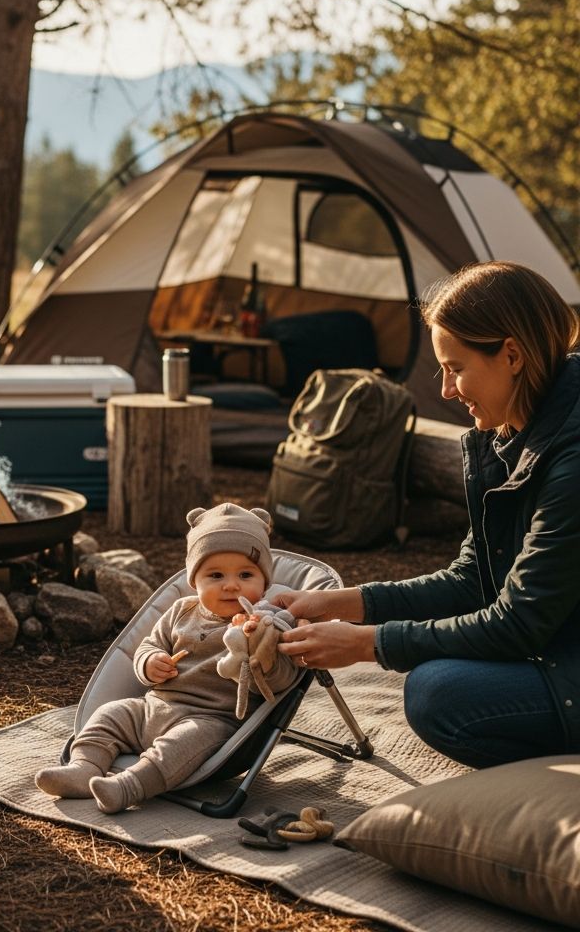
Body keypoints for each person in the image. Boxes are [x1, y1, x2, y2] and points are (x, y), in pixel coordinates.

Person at [275, 260, 580, 769]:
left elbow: (518, 623)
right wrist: (335, 603)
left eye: (455, 368)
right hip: (561, 641)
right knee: (438, 668)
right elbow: (472, 580)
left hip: (561, 653)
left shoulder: (572, 456)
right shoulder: (518, 432)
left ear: (511, 355)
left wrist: (365, 645)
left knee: (437, 693)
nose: (445, 390)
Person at [35, 502, 293, 813]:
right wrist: (150, 663)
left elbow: (282, 680)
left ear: (264, 581)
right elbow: (147, 646)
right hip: (153, 707)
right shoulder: (181, 611)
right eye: (215, 575)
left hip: (211, 720)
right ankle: (83, 768)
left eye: (246, 574)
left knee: (179, 746)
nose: (230, 584)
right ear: (194, 581)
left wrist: (258, 652)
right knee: (110, 714)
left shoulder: (265, 624)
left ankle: (128, 787)